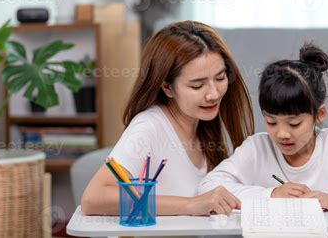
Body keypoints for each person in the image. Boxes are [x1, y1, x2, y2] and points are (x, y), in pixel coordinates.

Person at [81, 20, 255, 216]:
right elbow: (92, 199)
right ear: (167, 87)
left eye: (220, 78)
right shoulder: (149, 127)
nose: (213, 94)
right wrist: (191, 205)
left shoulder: (207, 123)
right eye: (197, 86)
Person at [199, 42, 328, 211]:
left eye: (294, 123)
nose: (282, 134)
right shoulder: (257, 148)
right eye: (271, 122)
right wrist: (271, 194)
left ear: (319, 114)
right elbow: (209, 186)